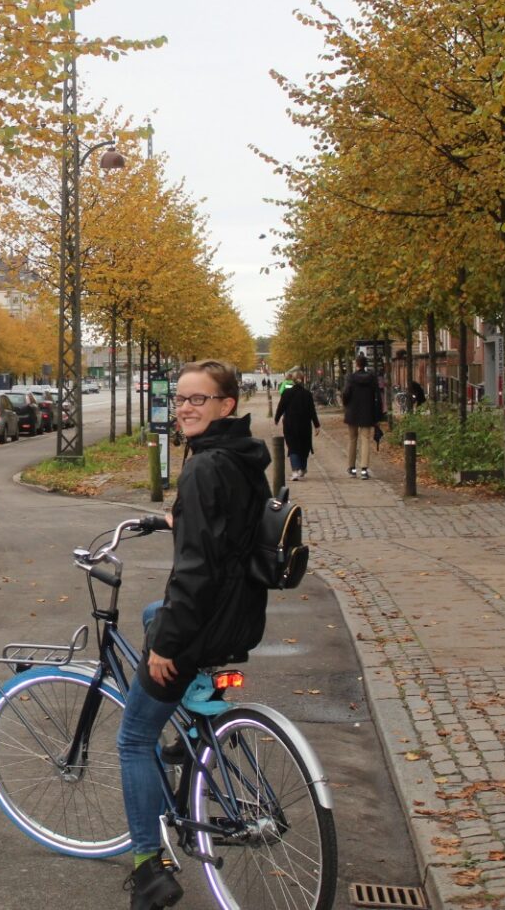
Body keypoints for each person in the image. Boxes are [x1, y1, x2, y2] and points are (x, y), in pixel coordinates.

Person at [117, 360, 270, 910]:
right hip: (242, 612)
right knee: (153, 610)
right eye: (181, 399)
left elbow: (195, 574)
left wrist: (167, 646)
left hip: (204, 622)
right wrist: (182, 519)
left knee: (134, 739)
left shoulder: (204, 470)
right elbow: (228, 531)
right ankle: (200, 707)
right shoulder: (242, 456)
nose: (184, 408)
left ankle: (147, 867)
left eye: (198, 400)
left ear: (226, 404)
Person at [341, 355, 382, 480]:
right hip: (367, 412)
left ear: (356, 364)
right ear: (365, 364)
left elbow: (346, 393)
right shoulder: (372, 378)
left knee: (352, 439)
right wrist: (378, 414)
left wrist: (346, 404)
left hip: (352, 412)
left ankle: (352, 468)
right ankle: (364, 469)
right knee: (365, 439)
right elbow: (377, 397)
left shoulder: (351, 378)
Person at [274, 371, 320, 481]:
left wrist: (277, 418)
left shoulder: (286, 393)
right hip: (304, 425)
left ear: (292, 380)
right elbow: (312, 411)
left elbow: (281, 407)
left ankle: (295, 470)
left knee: (293, 447)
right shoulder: (307, 394)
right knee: (304, 447)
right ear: (303, 380)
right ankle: (302, 468)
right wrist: (316, 425)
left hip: (290, 424)